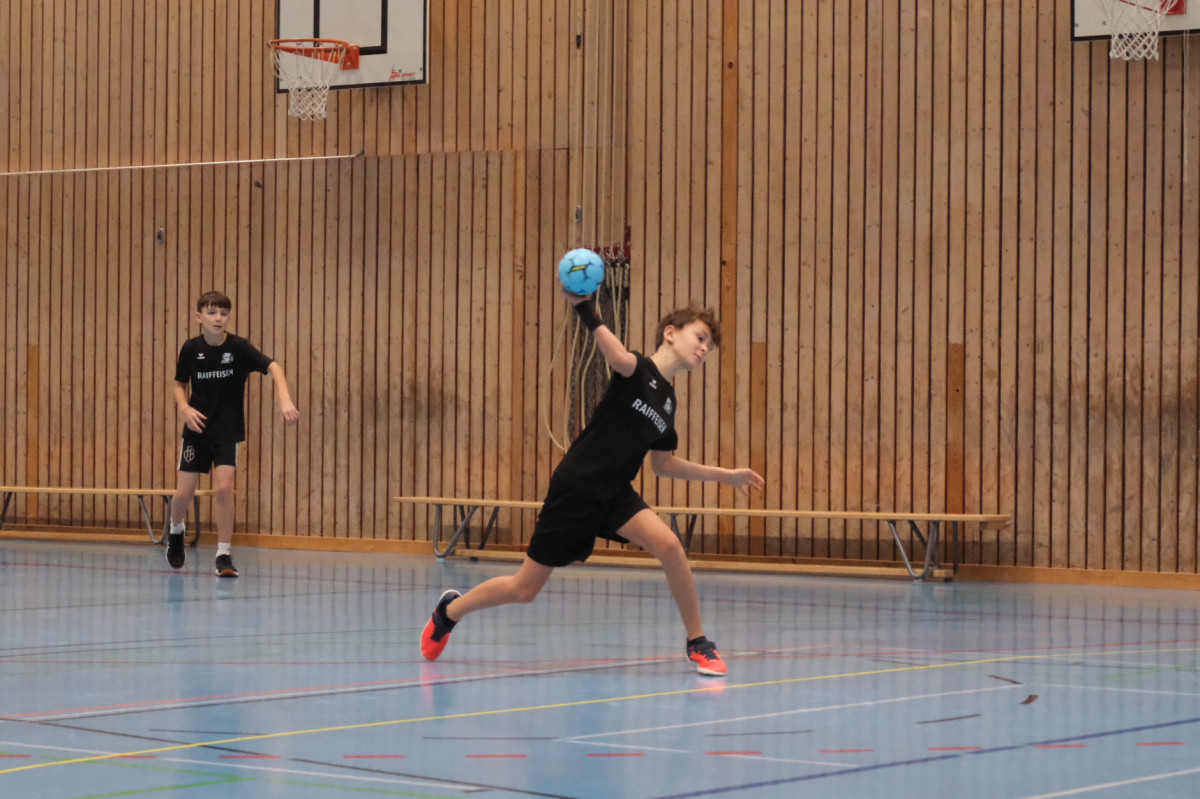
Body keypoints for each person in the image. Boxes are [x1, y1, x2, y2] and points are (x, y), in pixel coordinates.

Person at [420, 291, 764, 675]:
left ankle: (698, 643)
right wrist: (585, 309)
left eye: (709, 346)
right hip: (577, 487)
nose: (704, 348)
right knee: (524, 590)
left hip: (615, 494)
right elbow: (616, 356)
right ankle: (448, 612)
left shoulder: (668, 402)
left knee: (669, 545)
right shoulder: (637, 369)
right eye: (700, 337)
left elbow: (663, 465)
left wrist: (725, 475)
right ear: (670, 333)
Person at [165, 291, 300, 577]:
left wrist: (285, 398)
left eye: (224, 313)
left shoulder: (238, 348)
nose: (218, 318)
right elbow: (179, 384)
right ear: (199, 316)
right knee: (182, 495)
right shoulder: (190, 349)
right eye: (212, 312)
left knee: (225, 490)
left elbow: (273, 366)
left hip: (227, 431)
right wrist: (184, 408)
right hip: (196, 431)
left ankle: (223, 554)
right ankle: (176, 529)